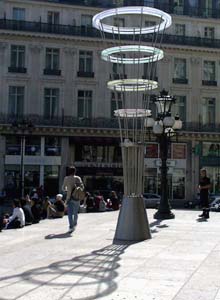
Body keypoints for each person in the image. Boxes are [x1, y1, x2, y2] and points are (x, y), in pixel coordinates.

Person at [62, 166, 84, 233]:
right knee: (75, 213)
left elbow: (63, 188)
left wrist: (67, 190)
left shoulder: (66, 178)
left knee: (70, 213)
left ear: (69, 171)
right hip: (77, 198)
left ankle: (71, 227)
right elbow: (82, 187)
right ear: (75, 171)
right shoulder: (78, 178)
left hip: (69, 198)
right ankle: (75, 224)